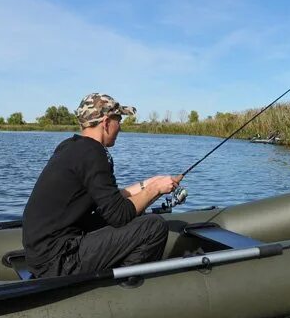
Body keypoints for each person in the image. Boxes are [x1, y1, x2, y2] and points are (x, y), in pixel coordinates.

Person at [22, 93, 183, 278]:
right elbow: (120, 215)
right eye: (118, 120)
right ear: (106, 122)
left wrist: (148, 184)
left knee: (110, 216)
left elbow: (111, 201)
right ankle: (127, 286)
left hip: (41, 255)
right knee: (154, 226)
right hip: (59, 259)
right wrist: (156, 190)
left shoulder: (71, 146)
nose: (120, 127)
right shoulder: (94, 153)